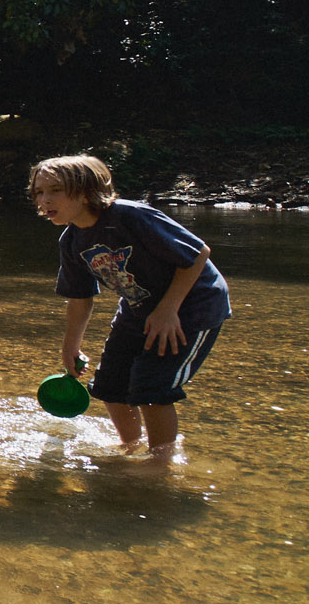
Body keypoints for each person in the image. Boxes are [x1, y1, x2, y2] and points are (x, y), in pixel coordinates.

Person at [31, 154, 230, 460]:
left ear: (85, 191)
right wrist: (71, 346)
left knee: (152, 386)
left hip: (193, 305)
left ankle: (161, 461)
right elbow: (80, 296)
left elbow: (198, 253)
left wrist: (168, 310)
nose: (44, 200)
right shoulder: (71, 241)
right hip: (139, 307)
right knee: (110, 385)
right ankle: (130, 445)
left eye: (55, 190)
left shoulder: (130, 217)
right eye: (39, 192)